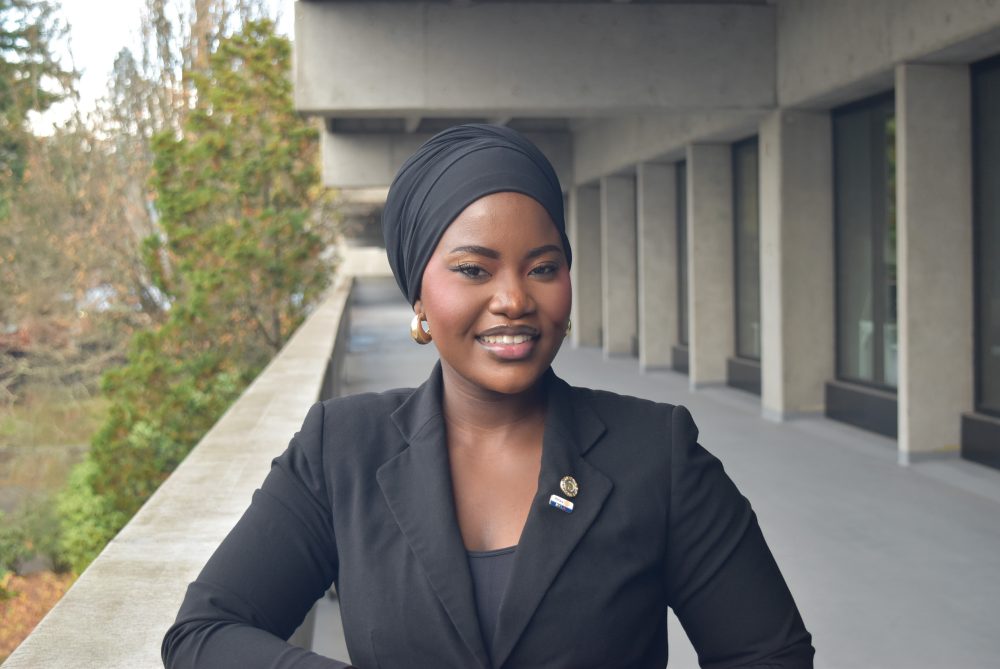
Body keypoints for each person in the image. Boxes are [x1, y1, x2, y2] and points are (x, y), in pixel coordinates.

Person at [162, 124, 814, 668]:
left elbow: (770, 655)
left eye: (543, 267)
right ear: (419, 296)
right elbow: (204, 632)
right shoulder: (342, 448)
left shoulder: (657, 453)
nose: (514, 299)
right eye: (474, 269)